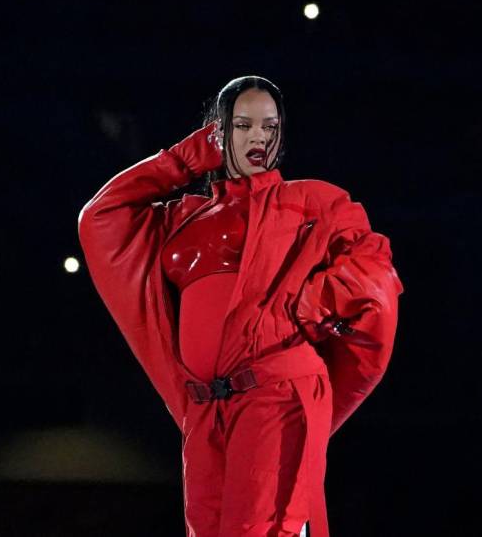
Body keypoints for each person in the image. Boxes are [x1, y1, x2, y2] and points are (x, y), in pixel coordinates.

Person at [78, 75, 403, 537]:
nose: (258, 138)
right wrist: (184, 159)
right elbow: (100, 218)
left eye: (270, 127)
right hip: (206, 408)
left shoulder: (313, 202)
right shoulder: (180, 216)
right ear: (217, 133)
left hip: (276, 393)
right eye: (242, 125)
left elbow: (376, 273)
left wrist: (308, 302)